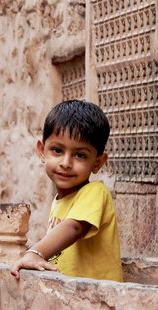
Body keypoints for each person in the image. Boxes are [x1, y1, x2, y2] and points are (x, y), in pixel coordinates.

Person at [11, 99, 123, 282]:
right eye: (57, 150)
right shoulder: (59, 201)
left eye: (80, 155)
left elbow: (75, 227)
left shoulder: (95, 192)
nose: (66, 163)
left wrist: (35, 253)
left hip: (97, 301)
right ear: (42, 151)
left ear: (97, 163)